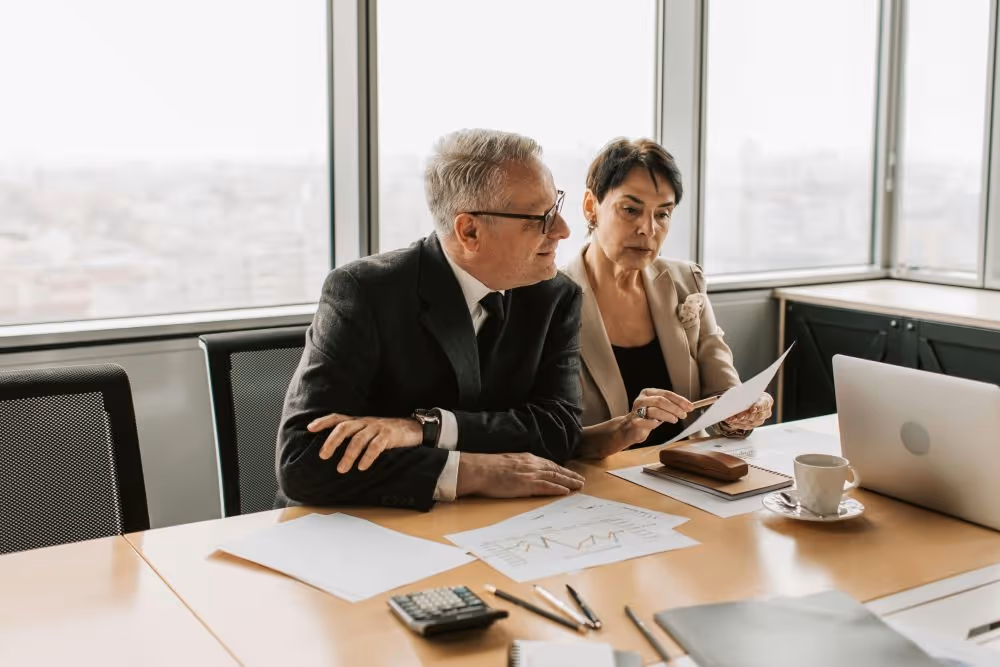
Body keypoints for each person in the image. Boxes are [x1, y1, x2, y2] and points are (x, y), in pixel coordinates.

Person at [275, 128, 586, 510]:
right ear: (469, 230)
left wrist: (423, 428)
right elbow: (303, 460)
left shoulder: (554, 295)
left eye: (555, 207)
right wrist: (472, 471)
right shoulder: (364, 292)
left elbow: (558, 430)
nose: (563, 230)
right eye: (541, 218)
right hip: (357, 532)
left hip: (489, 526)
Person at [563, 138, 773, 459]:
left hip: (686, 473)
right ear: (591, 206)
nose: (648, 229)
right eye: (630, 210)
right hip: (595, 484)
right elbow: (544, 434)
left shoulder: (686, 280)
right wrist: (628, 426)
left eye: (663, 214)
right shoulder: (548, 296)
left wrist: (741, 412)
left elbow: (723, 395)